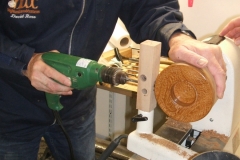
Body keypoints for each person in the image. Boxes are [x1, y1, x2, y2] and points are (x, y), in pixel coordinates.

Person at [0, 0, 226, 160]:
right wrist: (23, 62)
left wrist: (175, 35)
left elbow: (148, 6)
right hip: (10, 109)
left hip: (76, 107)